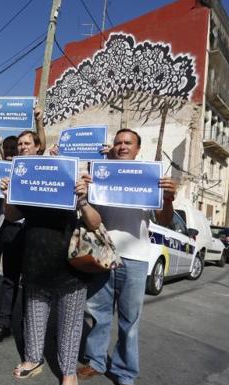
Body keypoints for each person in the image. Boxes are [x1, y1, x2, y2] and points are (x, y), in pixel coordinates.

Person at [77, 128, 177, 385]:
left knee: (129, 321)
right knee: (98, 314)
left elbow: (165, 220)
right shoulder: (101, 175)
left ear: (137, 148)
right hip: (102, 254)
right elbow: (89, 215)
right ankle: (96, 362)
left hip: (135, 258)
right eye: (118, 142)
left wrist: (168, 199)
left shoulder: (150, 178)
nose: (122, 146)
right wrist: (87, 188)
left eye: (128, 143)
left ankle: (124, 372)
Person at [0, 173, 100, 385]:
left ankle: (68, 372)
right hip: (35, 263)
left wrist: (82, 200)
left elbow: (94, 223)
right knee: (34, 317)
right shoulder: (31, 182)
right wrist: (7, 195)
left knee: (70, 323)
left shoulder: (76, 182)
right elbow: (11, 216)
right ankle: (33, 359)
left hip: (71, 267)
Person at [0, 105, 47, 340]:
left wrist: (40, 121)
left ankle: (29, 325)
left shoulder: (40, 166)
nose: (22, 147)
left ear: (37, 147)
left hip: (36, 231)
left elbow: (44, 140)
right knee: (9, 279)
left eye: (27, 144)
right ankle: (3, 324)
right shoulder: (9, 167)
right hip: (11, 228)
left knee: (31, 282)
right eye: (20, 144)